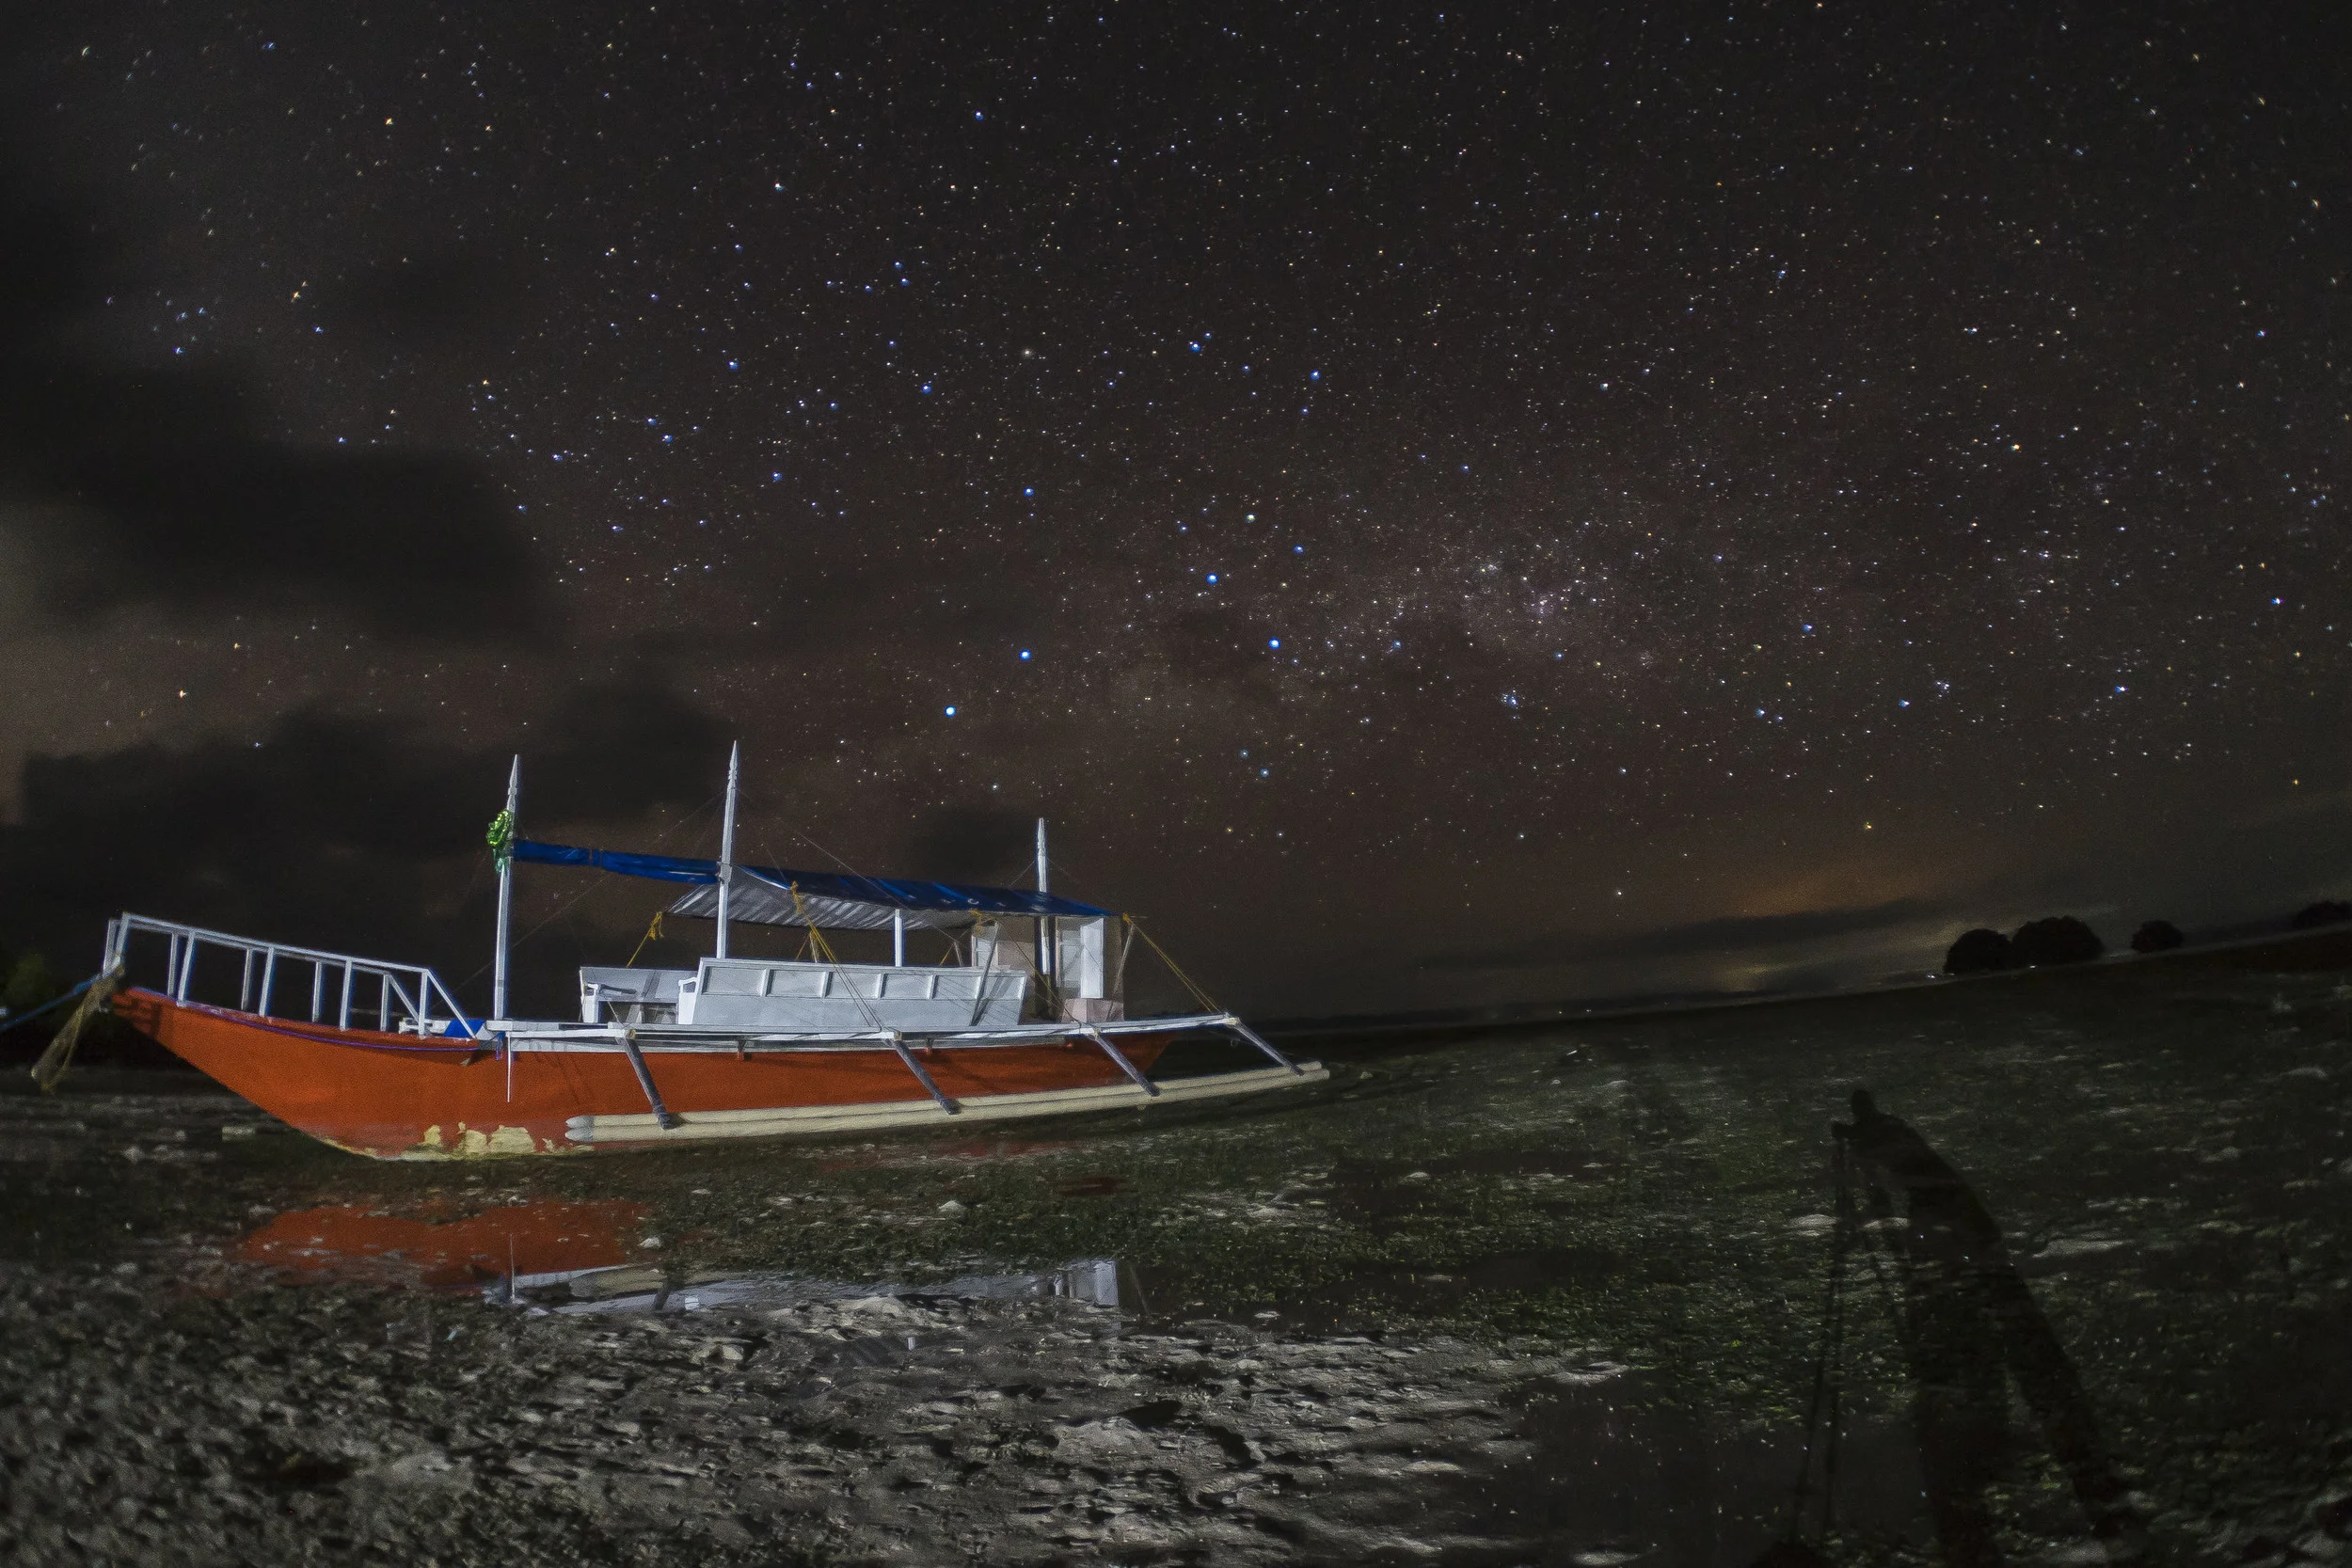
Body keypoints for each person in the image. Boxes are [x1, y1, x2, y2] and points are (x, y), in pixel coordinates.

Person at [1835, 1090, 2142, 1565]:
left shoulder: (1930, 1199)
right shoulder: (1932, 1189)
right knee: (2014, 1345)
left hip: (1952, 1238)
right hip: (1954, 1229)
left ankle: (1974, 1446)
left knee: (1988, 1345)